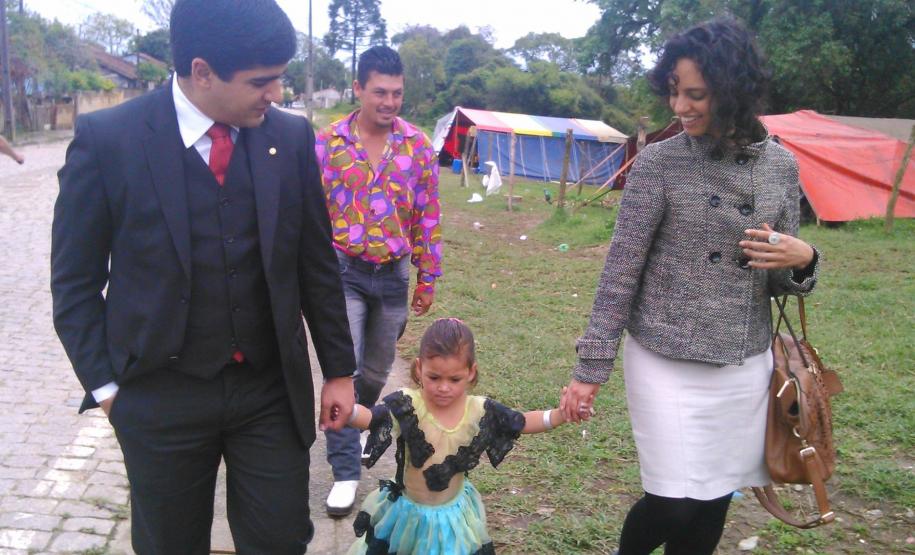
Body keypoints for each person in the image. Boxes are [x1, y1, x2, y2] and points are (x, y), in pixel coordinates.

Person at [50, 1, 356, 553]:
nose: (276, 94)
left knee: (281, 540)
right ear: (202, 71)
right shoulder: (110, 140)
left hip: (267, 389)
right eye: (260, 81)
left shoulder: (288, 139)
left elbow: (315, 262)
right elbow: (74, 284)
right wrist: (110, 392)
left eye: (280, 78)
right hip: (159, 395)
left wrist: (338, 370)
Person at [560, 18, 821, 555]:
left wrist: (804, 258)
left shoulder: (782, 167)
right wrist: (590, 368)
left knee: (713, 500)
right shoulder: (660, 163)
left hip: (743, 361)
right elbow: (620, 272)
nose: (679, 106)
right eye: (674, 91)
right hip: (664, 356)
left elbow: (777, 281)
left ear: (733, 92)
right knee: (672, 502)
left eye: (695, 95)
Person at [315, 45, 442, 516]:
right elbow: (308, 211)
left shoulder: (418, 146)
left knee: (373, 371)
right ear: (358, 89)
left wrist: (428, 276)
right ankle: (345, 471)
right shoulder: (328, 143)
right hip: (342, 272)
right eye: (380, 92)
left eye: (397, 93)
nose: (389, 102)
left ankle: (358, 418)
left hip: (393, 276)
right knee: (343, 369)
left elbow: (428, 215)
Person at [342, 317, 577, 555]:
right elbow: (372, 418)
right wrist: (347, 410)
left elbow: (521, 422)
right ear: (419, 368)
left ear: (471, 372)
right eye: (434, 377)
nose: (444, 387)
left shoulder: (479, 410)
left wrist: (559, 415)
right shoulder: (409, 405)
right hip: (408, 517)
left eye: (454, 379)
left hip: (452, 520)